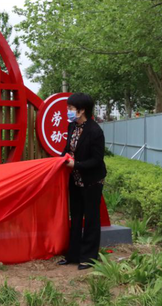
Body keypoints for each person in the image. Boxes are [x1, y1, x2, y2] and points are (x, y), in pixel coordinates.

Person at [58, 93, 107, 270]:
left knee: (91, 218)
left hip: (92, 181)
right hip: (75, 179)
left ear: (81, 110)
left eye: (70, 109)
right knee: (76, 217)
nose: (68, 111)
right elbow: (67, 149)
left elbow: (97, 160)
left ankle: (88, 257)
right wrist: (59, 160)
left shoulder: (95, 131)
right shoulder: (72, 126)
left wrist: (75, 164)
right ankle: (73, 254)